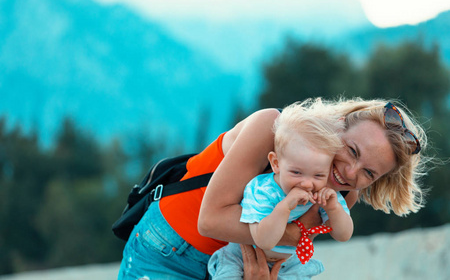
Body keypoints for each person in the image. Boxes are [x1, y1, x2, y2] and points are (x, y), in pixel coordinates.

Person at [118, 97, 428, 280]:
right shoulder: (273, 129)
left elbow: (276, 254)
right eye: (352, 151)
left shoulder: (343, 194)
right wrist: (292, 233)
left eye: (369, 173)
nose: (349, 172)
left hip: (229, 269)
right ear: (337, 125)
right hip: (168, 252)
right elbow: (210, 220)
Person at [208, 102, 353, 279]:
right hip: (239, 257)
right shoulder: (263, 190)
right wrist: (285, 207)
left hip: (290, 263)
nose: (307, 184)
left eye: (318, 175)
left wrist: (334, 209)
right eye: (296, 172)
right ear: (276, 163)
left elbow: (343, 235)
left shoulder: (325, 194)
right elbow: (264, 240)